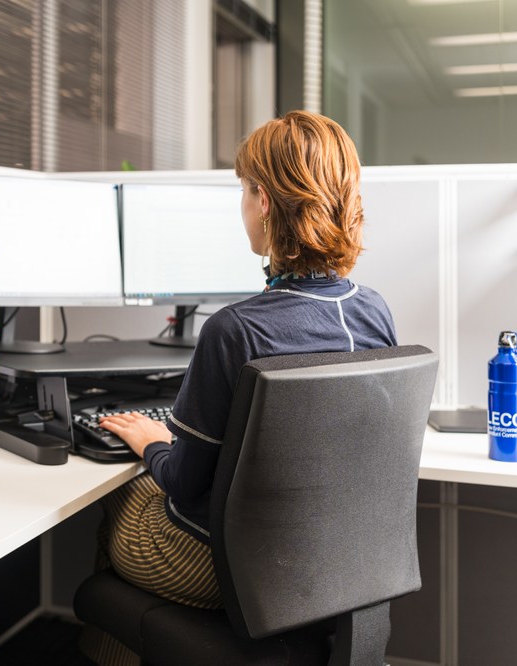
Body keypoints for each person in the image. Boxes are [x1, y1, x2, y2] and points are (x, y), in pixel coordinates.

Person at [80, 110, 398, 665]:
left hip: (220, 569)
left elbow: (181, 481)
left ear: (265, 203)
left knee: (122, 498)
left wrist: (149, 440)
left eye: (244, 191)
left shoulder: (236, 330)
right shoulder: (372, 310)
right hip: (326, 567)